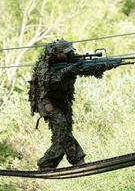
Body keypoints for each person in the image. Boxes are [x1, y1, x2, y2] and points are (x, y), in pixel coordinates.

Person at [28, 39, 113, 170]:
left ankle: (49, 163)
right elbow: (48, 80)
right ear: (56, 53)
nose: (68, 55)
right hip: (46, 101)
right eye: (65, 52)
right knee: (62, 126)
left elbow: (87, 69)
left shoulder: (71, 60)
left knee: (63, 133)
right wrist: (67, 70)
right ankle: (76, 158)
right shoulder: (44, 65)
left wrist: (105, 65)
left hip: (63, 101)